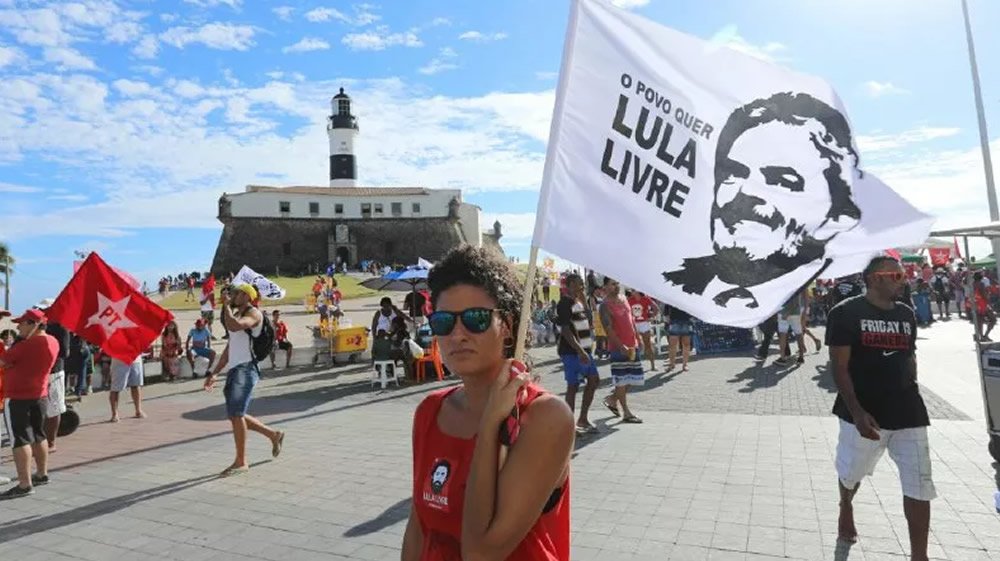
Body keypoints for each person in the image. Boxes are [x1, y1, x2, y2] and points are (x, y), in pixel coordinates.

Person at [402, 244, 572, 560]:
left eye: (476, 319)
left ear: (506, 325)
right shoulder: (431, 411)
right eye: (443, 321)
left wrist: (492, 423)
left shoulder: (545, 417)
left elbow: (481, 553)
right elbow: (418, 527)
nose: (457, 335)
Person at [664, 92, 863, 310]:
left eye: (782, 180)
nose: (744, 191)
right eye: (732, 173)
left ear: (838, 216)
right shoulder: (670, 283)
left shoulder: (820, 302)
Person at [827, 256, 934, 559]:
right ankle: (845, 504)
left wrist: (912, 384)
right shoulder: (845, 313)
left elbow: (910, 356)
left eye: (904, 275)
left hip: (907, 409)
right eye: (897, 276)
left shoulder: (906, 313)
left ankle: (919, 555)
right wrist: (857, 412)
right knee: (851, 472)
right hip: (863, 410)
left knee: (920, 481)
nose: (904, 280)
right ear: (875, 279)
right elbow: (840, 367)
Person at [205, 284, 284, 477]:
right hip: (235, 369)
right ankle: (273, 435)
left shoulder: (254, 314)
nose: (233, 295)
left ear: (247, 297)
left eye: (237, 293)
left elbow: (233, 326)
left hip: (246, 369)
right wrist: (215, 372)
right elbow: (229, 348)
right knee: (235, 414)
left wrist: (224, 305)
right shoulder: (237, 314)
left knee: (237, 414)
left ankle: (241, 461)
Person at [0, 309, 58, 499]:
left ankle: (24, 484)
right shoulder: (52, 341)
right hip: (39, 395)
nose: (18, 327)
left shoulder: (27, 345)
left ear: (33, 323)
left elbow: (3, 361)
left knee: (20, 439)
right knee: (38, 435)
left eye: (22, 323)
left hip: (18, 397)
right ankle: (42, 473)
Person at [557, 273, 599, 434]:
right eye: (577, 284)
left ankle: (583, 419)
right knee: (573, 386)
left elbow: (589, 319)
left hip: (585, 351)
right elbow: (566, 330)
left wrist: (583, 300)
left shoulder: (578, 302)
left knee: (594, 380)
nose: (580, 286)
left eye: (581, 283)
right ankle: (569, 424)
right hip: (572, 352)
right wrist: (579, 350)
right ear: (569, 285)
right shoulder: (564, 303)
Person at [600, 278, 644, 424]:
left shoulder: (624, 298)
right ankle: (626, 412)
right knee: (621, 381)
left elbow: (631, 320)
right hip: (619, 348)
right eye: (612, 284)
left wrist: (639, 338)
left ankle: (612, 399)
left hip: (633, 345)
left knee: (632, 378)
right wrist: (620, 346)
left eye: (617, 283)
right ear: (605, 287)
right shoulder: (605, 305)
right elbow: (608, 329)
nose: (616, 286)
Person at [42, 319, 69, 453]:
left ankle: (51, 442)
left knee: (54, 407)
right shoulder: (37, 326)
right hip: (40, 370)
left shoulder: (61, 327)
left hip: (55, 371)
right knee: (42, 407)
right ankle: (42, 440)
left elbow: (64, 352)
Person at [627, 290, 658, 372]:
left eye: (633, 290)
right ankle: (632, 366)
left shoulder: (646, 298)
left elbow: (656, 308)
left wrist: (651, 317)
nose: (631, 292)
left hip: (644, 323)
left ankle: (653, 366)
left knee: (648, 344)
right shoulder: (630, 299)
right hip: (634, 324)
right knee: (632, 345)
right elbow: (626, 311)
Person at [108, 355, 145, 422]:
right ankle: (114, 414)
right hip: (119, 360)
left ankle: (138, 410)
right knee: (115, 388)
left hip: (135, 359)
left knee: (136, 385)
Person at [776, 290, 807, 366]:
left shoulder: (781, 282)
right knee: (799, 334)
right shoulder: (797, 281)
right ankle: (801, 357)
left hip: (783, 311)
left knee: (783, 334)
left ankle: (782, 358)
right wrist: (804, 311)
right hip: (796, 311)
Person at [664, 304, 694, 371]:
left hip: (687, 320)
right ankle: (671, 364)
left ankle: (685, 364)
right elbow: (667, 303)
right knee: (672, 344)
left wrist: (693, 316)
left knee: (686, 344)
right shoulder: (672, 294)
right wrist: (666, 317)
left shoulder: (689, 293)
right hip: (674, 320)